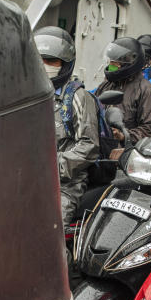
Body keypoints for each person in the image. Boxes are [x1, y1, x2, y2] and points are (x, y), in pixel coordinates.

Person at [34, 26, 99, 229]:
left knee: (50, 235)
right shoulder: (27, 92)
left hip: (64, 185)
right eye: (40, 59)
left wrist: (54, 166)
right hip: (28, 178)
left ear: (65, 64)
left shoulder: (77, 97)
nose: (44, 66)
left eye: (51, 61)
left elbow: (89, 146)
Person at [95, 37, 151, 148]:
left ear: (131, 62)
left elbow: (150, 128)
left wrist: (124, 135)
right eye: (111, 61)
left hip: (127, 153)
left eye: (116, 62)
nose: (111, 65)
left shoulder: (146, 90)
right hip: (100, 148)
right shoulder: (107, 85)